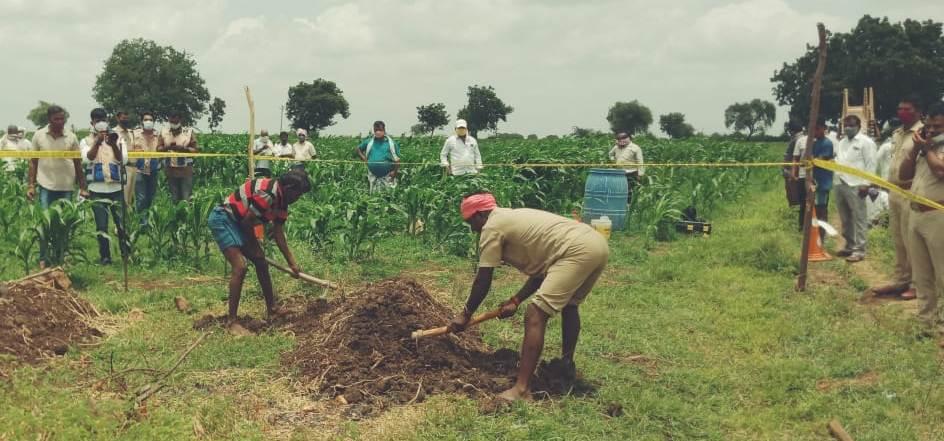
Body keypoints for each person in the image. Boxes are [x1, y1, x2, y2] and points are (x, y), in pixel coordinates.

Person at [447, 192, 609, 402]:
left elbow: (483, 279)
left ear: (480, 215)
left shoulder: (492, 228)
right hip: (596, 244)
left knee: (535, 315)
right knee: (570, 305)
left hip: (576, 251)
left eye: (470, 222)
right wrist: (516, 300)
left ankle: (521, 390)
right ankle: (566, 366)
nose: (472, 229)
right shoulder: (510, 218)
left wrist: (465, 314)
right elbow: (542, 273)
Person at [207, 170, 311, 333]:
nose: (298, 199)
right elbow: (247, 222)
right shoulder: (268, 193)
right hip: (224, 219)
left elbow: (278, 234)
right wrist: (256, 247)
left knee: (261, 262)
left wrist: (292, 263)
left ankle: (273, 309)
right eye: (297, 194)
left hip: (240, 223)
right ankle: (232, 321)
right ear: (289, 187)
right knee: (240, 267)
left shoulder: (282, 202)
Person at [898, 102, 944, 345]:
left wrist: (926, 150)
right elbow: (903, 177)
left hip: (939, 216)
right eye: (930, 125)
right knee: (922, 274)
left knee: (943, 274)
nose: (933, 130)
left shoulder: (935, 149)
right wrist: (916, 150)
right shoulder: (927, 146)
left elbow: (941, 171)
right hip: (916, 214)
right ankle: (926, 322)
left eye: (938, 126)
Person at [873, 97, 924, 301]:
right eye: (899, 108)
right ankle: (901, 279)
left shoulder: (922, 133)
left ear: (918, 111)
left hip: (911, 192)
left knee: (912, 241)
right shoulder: (897, 134)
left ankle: (917, 284)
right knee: (899, 239)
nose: (902, 112)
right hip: (894, 191)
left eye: (907, 109)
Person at [80, 108, 129, 265]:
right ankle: (105, 257)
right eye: (97, 120)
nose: (101, 122)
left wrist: (113, 144)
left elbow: (124, 160)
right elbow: (88, 159)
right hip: (97, 189)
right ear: (92, 123)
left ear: (108, 121)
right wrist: (98, 142)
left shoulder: (118, 138)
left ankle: (126, 253)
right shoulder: (86, 140)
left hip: (116, 188)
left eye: (103, 119)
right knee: (101, 226)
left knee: (122, 224)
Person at [833, 115, 877, 262]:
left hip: (857, 184)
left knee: (859, 218)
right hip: (840, 183)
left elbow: (871, 164)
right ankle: (850, 246)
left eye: (851, 125)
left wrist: (866, 183)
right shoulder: (842, 142)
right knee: (845, 218)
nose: (847, 128)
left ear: (858, 126)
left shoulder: (866, 142)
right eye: (845, 125)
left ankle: (860, 250)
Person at [28, 105, 88, 208]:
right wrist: (31, 186)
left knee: (64, 219)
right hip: (45, 184)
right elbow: (33, 162)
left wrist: (83, 188)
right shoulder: (38, 135)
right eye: (56, 119)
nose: (60, 122)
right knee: (46, 219)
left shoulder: (71, 137)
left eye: (62, 119)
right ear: (49, 119)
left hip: (66, 186)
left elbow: (77, 163)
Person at [793, 119, 833, 238]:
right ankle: (812, 235)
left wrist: (810, 160)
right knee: (811, 208)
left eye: (817, 129)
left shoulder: (827, 143)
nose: (814, 131)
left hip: (823, 182)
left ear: (823, 128)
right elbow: (805, 160)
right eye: (813, 129)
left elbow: (819, 160)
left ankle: (821, 235)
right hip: (812, 180)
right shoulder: (814, 143)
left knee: (821, 209)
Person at [157, 110, 199, 203]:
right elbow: (158, 149)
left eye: (176, 121)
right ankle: (176, 217)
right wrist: (167, 147)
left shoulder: (188, 132)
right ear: (169, 120)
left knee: (186, 198)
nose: (174, 124)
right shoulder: (164, 132)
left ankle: (187, 217)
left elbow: (196, 150)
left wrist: (184, 149)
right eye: (172, 122)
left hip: (186, 170)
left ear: (180, 120)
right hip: (171, 170)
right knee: (174, 199)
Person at [356, 121, 400, 193]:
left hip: (387, 176)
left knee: (387, 196)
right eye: (376, 130)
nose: (378, 132)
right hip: (373, 175)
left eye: (380, 130)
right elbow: (358, 149)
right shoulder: (370, 141)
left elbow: (397, 160)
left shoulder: (391, 143)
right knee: (374, 198)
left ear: (384, 130)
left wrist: (394, 173)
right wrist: (364, 159)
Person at [131, 112, 161, 216]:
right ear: (141, 122)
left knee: (150, 197)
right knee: (141, 197)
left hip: (153, 169)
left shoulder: (158, 135)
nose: (148, 122)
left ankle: (147, 218)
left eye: (150, 120)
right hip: (139, 169)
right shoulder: (134, 134)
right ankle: (141, 222)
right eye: (146, 119)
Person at [608, 132, 644, 205]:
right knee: (618, 190)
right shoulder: (616, 147)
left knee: (629, 190)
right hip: (619, 172)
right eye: (619, 140)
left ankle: (629, 206)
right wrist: (612, 159)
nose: (621, 141)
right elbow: (610, 154)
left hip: (631, 172)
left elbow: (640, 161)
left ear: (629, 138)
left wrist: (640, 174)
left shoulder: (635, 148)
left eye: (623, 139)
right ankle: (619, 204)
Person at [114, 111, 136, 206]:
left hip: (134, 167)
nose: (125, 120)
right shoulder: (114, 133)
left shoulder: (131, 132)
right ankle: (124, 219)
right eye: (123, 118)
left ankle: (131, 219)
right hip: (123, 168)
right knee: (124, 198)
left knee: (131, 198)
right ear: (118, 118)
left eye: (127, 118)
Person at [783, 121, 805, 207]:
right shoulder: (800, 138)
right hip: (793, 169)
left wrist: (792, 172)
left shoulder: (797, 139)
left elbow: (795, 157)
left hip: (791, 170)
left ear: (792, 130)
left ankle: (795, 208)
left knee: (793, 192)